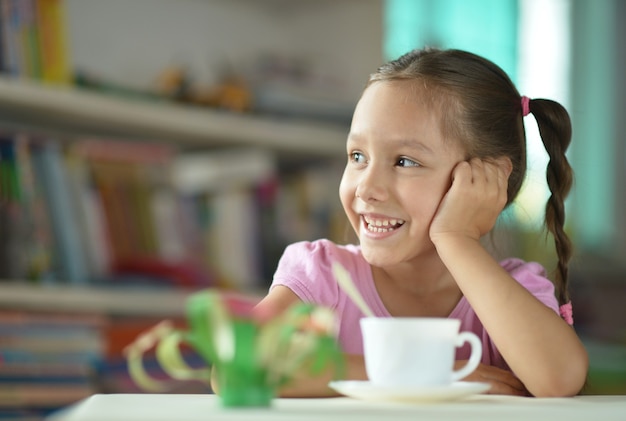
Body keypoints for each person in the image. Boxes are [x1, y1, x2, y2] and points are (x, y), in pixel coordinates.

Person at [253, 47, 589, 398]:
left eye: (405, 161)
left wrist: (455, 237)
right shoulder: (323, 276)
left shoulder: (515, 290)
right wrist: (430, 372)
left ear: (487, 181)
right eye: (358, 156)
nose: (367, 187)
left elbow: (560, 380)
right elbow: (239, 366)